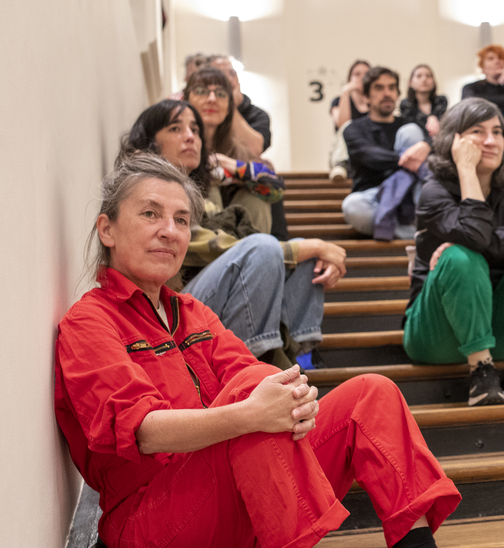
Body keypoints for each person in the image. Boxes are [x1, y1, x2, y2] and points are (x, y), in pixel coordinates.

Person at [55, 153, 504, 548]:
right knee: (255, 390)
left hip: (240, 503)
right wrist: (254, 411)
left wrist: (291, 403)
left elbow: (260, 383)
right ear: (107, 228)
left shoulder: (191, 311)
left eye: (182, 220)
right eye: (150, 214)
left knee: (371, 391)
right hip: (156, 526)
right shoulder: (89, 324)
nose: (169, 231)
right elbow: (143, 431)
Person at [120, 100, 345, 367]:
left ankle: (300, 356)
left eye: (195, 129)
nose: (191, 136)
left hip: (205, 299)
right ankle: (263, 363)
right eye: (175, 128)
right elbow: (208, 246)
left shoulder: (202, 190)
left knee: (295, 255)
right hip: (168, 307)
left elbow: (272, 187)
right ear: (150, 141)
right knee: (265, 248)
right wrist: (316, 245)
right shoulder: (144, 189)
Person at [404, 98, 504, 406]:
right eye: (478, 131)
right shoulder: (433, 191)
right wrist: (466, 169)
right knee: (459, 258)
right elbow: (474, 238)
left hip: (495, 330)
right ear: (455, 140)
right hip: (435, 334)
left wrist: (483, 241)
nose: (491, 141)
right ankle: (481, 373)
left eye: (497, 131)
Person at [185, 66, 280, 236]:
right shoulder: (178, 143)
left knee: (257, 198)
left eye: (221, 94)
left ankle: (253, 256)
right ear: (187, 99)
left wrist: (226, 163)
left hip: (238, 235)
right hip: (193, 238)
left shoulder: (238, 149)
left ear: (230, 106)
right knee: (208, 185)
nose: (212, 99)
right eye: (201, 91)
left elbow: (276, 188)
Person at [341, 66, 431, 240]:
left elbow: (435, 146)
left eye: (392, 87)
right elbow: (369, 156)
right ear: (366, 96)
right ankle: (412, 232)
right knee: (352, 206)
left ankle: (400, 225)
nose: (387, 93)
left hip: (410, 195)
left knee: (411, 131)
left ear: (398, 94)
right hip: (375, 197)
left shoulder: (409, 124)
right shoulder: (354, 129)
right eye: (379, 88)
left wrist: (426, 146)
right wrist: (411, 158)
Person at [211, 54, 273, 154]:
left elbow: (254, 150)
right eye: (220, 74)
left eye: (232, 73)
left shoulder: (258, 115)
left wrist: (231, 107)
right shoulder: (205, 111)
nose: (229, 79)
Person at [328, 60, 370, 181]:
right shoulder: (337, 101)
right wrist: (346, 92)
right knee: (349, 126)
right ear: (349, 78)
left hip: (368, 151)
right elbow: (341, 123)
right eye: (357, 74)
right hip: (345, 153)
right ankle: (341, 164)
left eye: (366, 74)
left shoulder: (376, 103)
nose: (362, 77)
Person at [398, 64, 447, 138]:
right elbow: (412, 126)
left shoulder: (441, 100)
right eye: (419, 76)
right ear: (410, 83)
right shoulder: (406, 104)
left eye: (428, 76)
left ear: (434, 82)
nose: (424, 79)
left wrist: (433, 118)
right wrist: (430, 118)